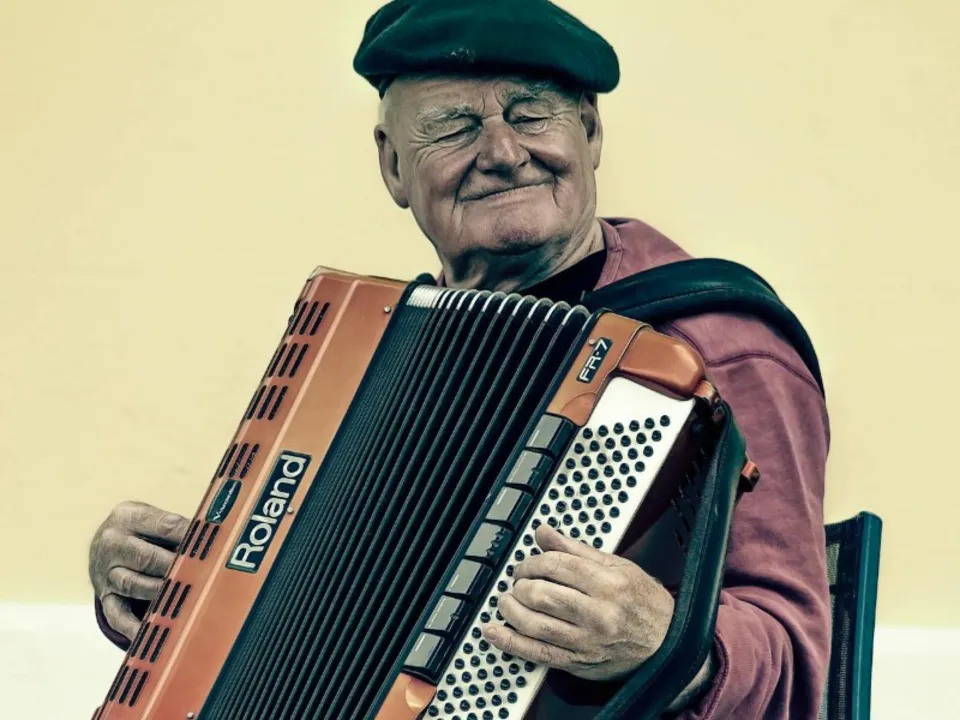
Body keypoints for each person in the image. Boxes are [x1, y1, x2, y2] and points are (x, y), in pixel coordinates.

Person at [87, 1, 831, 717]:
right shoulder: (369, 352)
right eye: (453, 127)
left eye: (531, 114)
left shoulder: (715, 344)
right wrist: (161, 589)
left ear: (590, 132)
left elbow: (799, 673)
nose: (503, 154)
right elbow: (289, 605)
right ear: (393, 167)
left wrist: (667, 645)